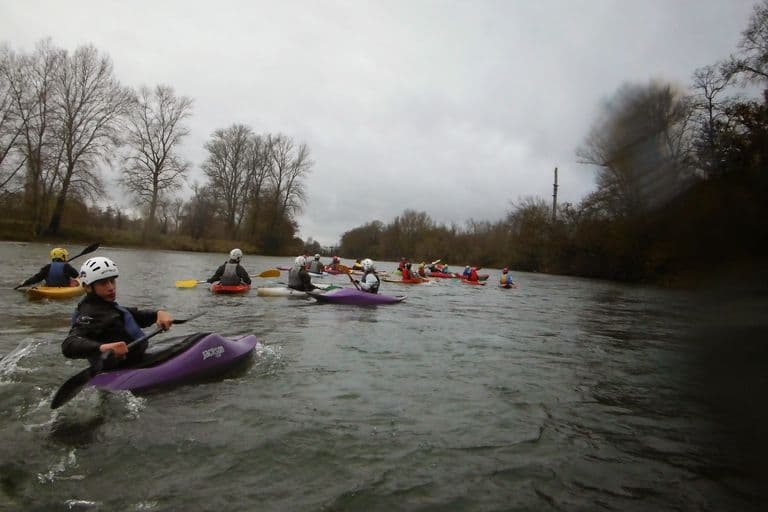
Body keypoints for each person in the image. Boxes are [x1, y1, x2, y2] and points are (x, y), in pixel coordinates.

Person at [62, 256, 173, 369]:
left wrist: (158, 314)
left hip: (136, 360)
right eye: (103, 283)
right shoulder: (90, 314)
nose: (111, 287)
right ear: (88, 287)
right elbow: (69, 344)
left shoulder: (107, 306)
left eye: (112, 281)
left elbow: (134, 316)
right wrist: (103, 347)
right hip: (121, 368)